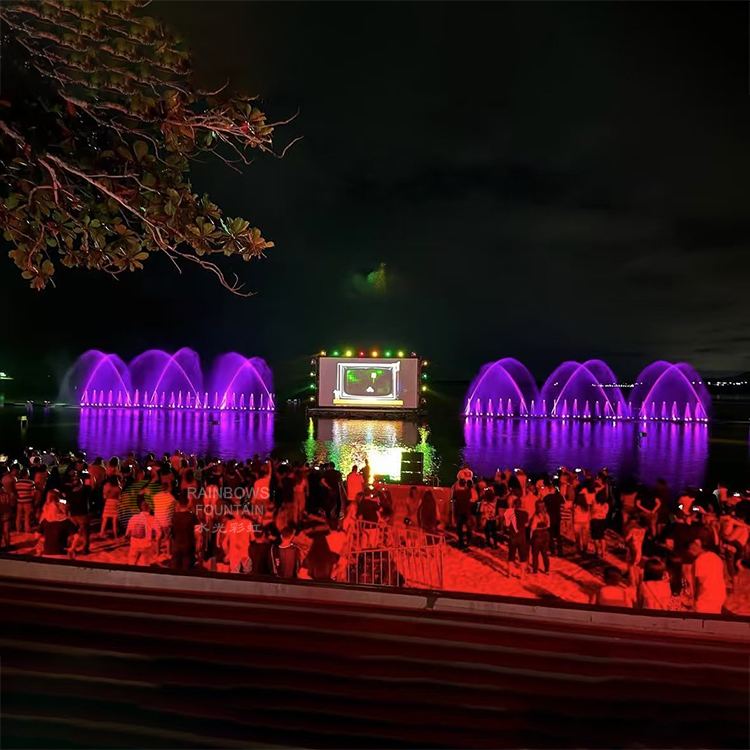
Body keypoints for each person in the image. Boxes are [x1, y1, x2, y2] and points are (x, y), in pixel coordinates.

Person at [36, 490, 79, 558]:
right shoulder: (65, 519)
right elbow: (76, 536)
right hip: (62, 552)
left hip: (47, 552)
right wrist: (72, 548)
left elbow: (37, 535)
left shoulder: (45, 515)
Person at [689, 539, 726, 614]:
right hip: (719, 595)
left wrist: (695, 599)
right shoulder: (716, 557)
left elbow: (699, 583)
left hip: (706, 597)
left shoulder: (699, 561)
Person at [126, 499, 159, 566]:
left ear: (141, 508)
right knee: (144, 565)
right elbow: (159, 534)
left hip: (134, 545)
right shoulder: (153, 519)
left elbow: (127, 533)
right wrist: (155, 541)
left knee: (131, 564)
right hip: (146, 546)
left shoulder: (133, 518)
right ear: (150, 508)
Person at [171, 494, 199, 571]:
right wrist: (198, 544)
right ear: (188, 503)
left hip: (176, 545)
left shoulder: (174, 517)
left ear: (179, 504)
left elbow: (171, 532)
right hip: (188, 545)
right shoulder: (192, 517)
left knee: (174, 569)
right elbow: (197, 532)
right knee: (186, 570)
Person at [504, 496, 529, 579]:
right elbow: (526, 525)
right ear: (521, 505)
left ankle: (510, 574)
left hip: (513, 537)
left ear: (514, 505)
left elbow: (506, 524)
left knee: (511, 556)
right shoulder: (525, 514)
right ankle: (522, 574)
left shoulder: (510, 513)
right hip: (521, 537)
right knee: (522, 557)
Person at [152, 470, 176, 556]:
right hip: (166, 521)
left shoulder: (155, 497)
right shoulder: (171, 498)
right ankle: (168, 553)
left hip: (157, 520)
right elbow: (174, 508)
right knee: (167, 538)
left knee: (158, 536)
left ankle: (157, 553)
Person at [529, 500, 551, 574]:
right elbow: (548, 525)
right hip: (545, 534)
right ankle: (547, 569)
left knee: (535, 554)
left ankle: (535, 570)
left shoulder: (536, 516)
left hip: (538, 535)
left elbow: (533, 527)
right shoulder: (547, 515)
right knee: (545, 553)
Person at [452, 478, 473, 550]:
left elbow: (455, 503)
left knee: (459, 529)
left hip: (459, 512)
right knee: (468, 528)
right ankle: (469, 541)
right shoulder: (468, 492)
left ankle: (461, 543)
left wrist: (454, 514)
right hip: (467, 512)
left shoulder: (456, 493)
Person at [100, 475, 121, 540]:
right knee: (114, 520)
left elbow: (104, 496)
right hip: (115, 502)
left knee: (105, 519)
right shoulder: (118, 488)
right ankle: (115, 535)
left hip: (108, 502)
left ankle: (101, 532)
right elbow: (120, 497)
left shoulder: (107, 486)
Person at [15, 467, 35, 533]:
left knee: (19, 515)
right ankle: (27, 528)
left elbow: (16, 492)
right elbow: (33, 493)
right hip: (28, 501)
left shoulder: (17, 482)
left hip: (19, 501)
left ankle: (18, 528)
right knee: (27, 515)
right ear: (27, 474)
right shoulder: (31, 482)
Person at [590, 493, 610, 558]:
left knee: (595, 537)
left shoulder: (595, 504)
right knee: (602, 537)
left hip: (595, 520)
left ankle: (597, 551)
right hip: (602, 521)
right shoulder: (606, 505)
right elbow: (606, 513)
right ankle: (603, 553)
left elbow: (592, 511)